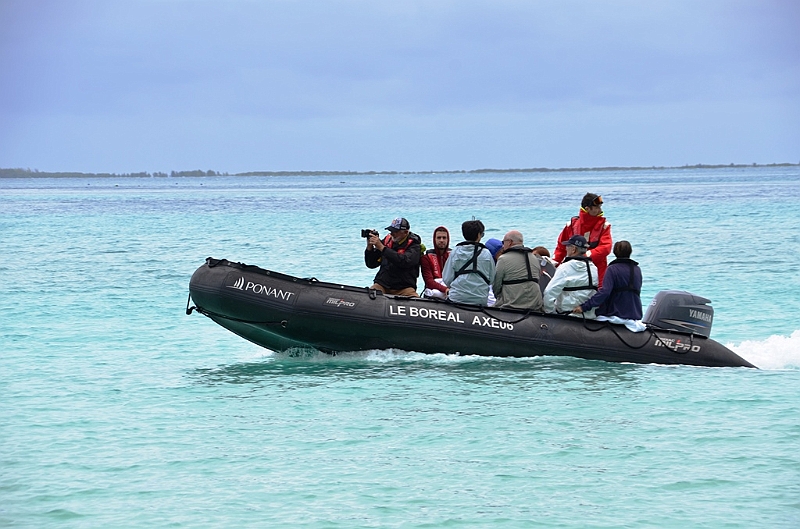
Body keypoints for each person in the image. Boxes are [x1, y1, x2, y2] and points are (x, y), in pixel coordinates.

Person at [573, 240, 645, 331]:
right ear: (630, 252)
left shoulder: (612, 269)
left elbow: (605, 292)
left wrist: (584, 307)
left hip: (616, 313)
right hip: (634, 313)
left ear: (614, 252)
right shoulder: (637, 269)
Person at [553, 193, 612, 287]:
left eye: (600, 207)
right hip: (573, 271)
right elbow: (561, 248)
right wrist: (554, 264)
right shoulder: (571, 225)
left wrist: (585, 255)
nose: (600, 210)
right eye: (597, 207)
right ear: (588, 208)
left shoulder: (604, 226)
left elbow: (606, 248)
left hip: (597, 273)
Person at [442, 219, 496, 305]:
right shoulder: (486, 253)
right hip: (480, 300)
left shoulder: (455, 252)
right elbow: (491, 279)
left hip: (457, 298)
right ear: (479, 235)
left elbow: (447, 279)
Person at [364, 217, 421, 297]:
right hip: (383, 285)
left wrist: (382, 248)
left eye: (395, 231)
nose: (392, 233)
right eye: (391, 231)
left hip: (404, 288)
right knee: (369, 296)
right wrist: (370, 247)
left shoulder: (414, 246)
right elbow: (371, 264)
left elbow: (404, 261)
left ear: (405, 232)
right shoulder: (387, 241)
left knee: (415, 301)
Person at [543, 235, 599, 316]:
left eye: (568, 246)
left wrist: (550, 312)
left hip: (568, 316)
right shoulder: (593, 268)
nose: (566, 248)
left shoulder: (565, 268)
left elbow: (549, 292)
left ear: (574, 249)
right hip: (589, 316)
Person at [492, 230, 543, 311]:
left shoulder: (503, 259)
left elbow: (496, 285)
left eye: (503, 242)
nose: (502, 245)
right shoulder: (534, 258)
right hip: (535, 303)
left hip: (512, 304)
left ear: (510, 242)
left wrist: (498, 297)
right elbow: (538, 279)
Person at [420, 226, 451, 299]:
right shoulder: (426, 258)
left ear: (448, 239)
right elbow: (429, 281)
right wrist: (445, 289)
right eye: (439, 238)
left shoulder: (453, 256)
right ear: (434, 239)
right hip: (435, 292)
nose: (441, 240)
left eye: (444, 238)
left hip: (450, 290)